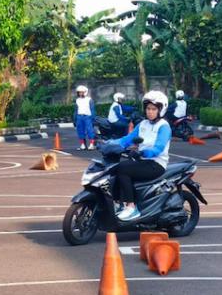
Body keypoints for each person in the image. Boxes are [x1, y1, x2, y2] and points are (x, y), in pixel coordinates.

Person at [108, 90, 171, 221]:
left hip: (156, 164)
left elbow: (159, 147)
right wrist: (107, 144)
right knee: (112, 168)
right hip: (142, 161)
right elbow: (127, 139)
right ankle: (117, 203)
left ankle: (131, 207)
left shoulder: (164, 126)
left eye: (153, 109)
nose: (150, 111)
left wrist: (143, 152)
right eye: (148, 108)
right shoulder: (143, 124)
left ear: (161, 110)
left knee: (123, 169)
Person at [73, 85, 96, 150]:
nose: (80, 93)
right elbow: (76, 110)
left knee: (90, 130)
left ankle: (91, 144)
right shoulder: (77, 100)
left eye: (81, 92)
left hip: (87, 117)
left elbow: (92, 110)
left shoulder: (89, 100)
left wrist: (93, 119)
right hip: (79, 117)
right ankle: (82, 144)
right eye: (79, 92)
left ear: (85, 92)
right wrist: (74, 119)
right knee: (80, 131)